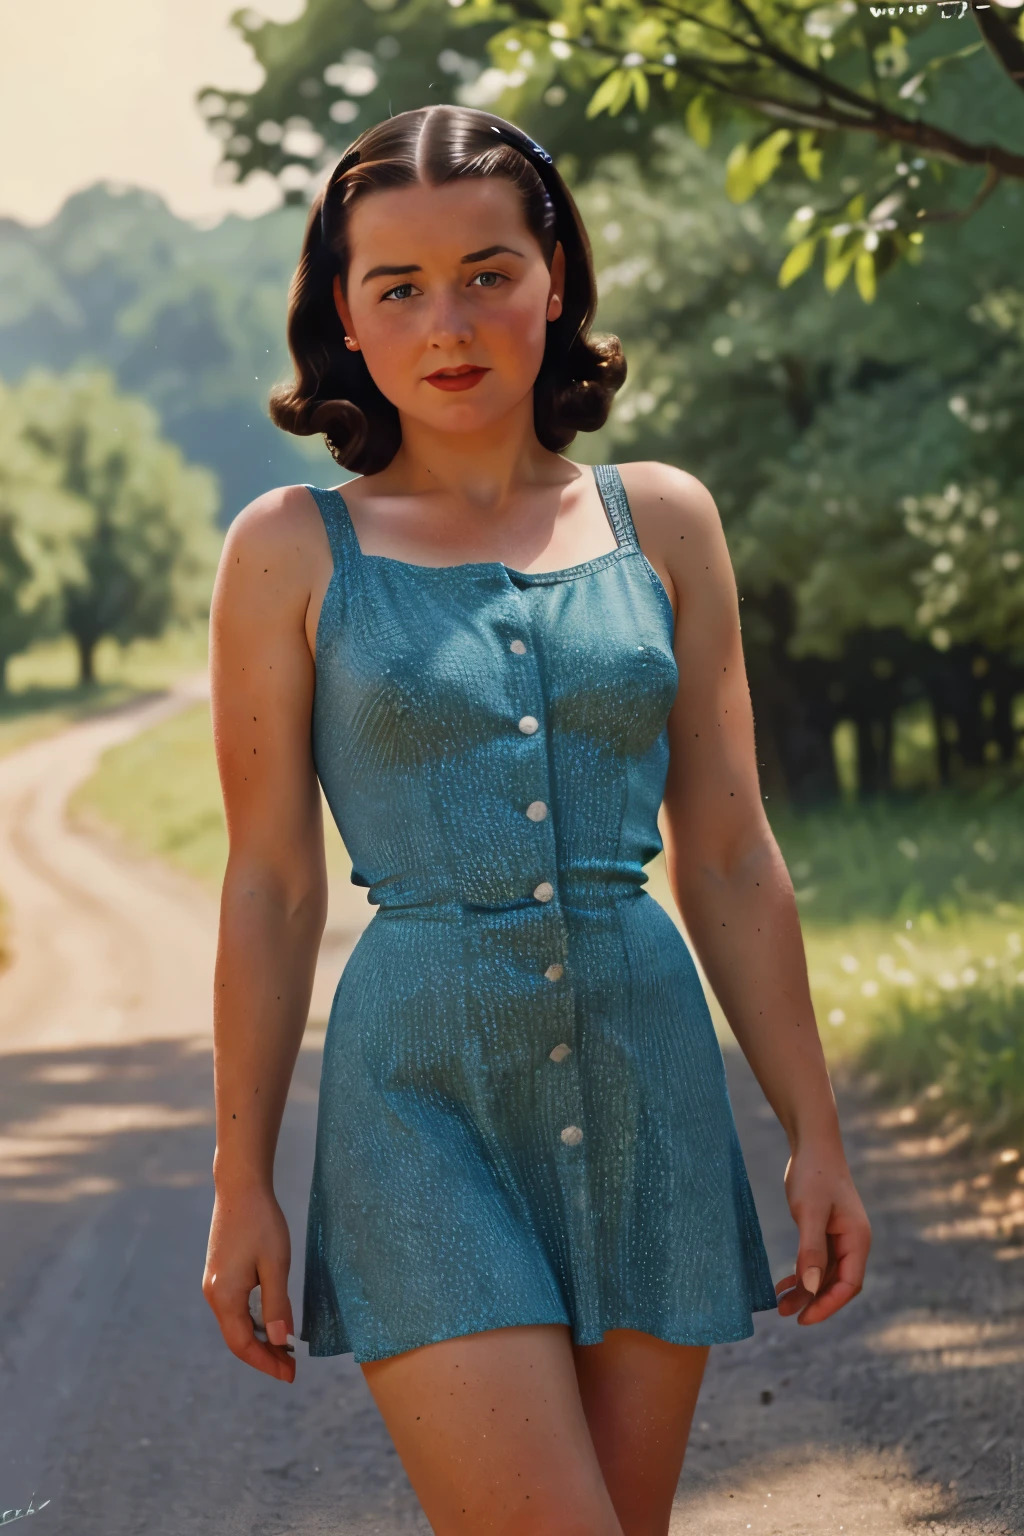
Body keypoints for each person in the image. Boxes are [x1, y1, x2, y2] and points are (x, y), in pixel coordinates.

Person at [202, 104, 871, 1535]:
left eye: (488, 271)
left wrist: (814, 1129)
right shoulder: (283, 552)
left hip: (651, 1080)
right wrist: (239, 1179)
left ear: (555, 277)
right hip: (415, 1102)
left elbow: (736, 853)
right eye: (399, 286)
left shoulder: (666, 522)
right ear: (345, 311)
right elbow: (269, 887)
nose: (450, 322)